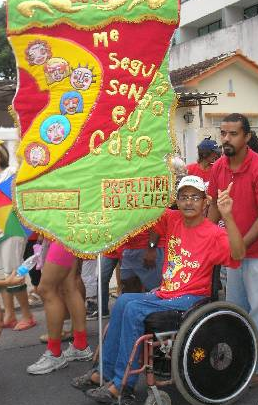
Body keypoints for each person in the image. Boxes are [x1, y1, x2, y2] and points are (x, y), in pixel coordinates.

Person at [71, 175, 244, 403]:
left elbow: (238, 254)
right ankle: (102, 372)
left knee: (133, 309)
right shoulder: (172, 220)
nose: (189, 202)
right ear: (177, 201)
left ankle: (122, 385)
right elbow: (145, 205)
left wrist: (227, 215)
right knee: (123, 301)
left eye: (195, 197)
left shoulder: (214, 234)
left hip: (190, 298)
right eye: (183, 197)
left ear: (205, 202)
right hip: (165, 293)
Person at [208, 113, 258, 382]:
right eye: (223, 134)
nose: (226, 139)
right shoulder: (218, 167)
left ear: (247, 137)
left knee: (257, 311)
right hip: (235, 255)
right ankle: (241, 362)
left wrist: (239, 245)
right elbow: (215, 205)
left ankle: (256, 367)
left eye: (233, 134)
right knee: (236, 309)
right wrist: (203, 237)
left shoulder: (257, 167)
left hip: (254, 254)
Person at [26, 241, 93, 375]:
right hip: (68, 232)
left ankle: (55, 353)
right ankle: (80, 345)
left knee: (46, 289)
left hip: (63, 233)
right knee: (69, 286)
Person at [0, 143, 36, 331]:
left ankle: (27, 315)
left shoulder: (12, 174)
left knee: (12, 272)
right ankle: (10, 314)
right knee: (3, 272)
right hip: (2, 231)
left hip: (13, 230)